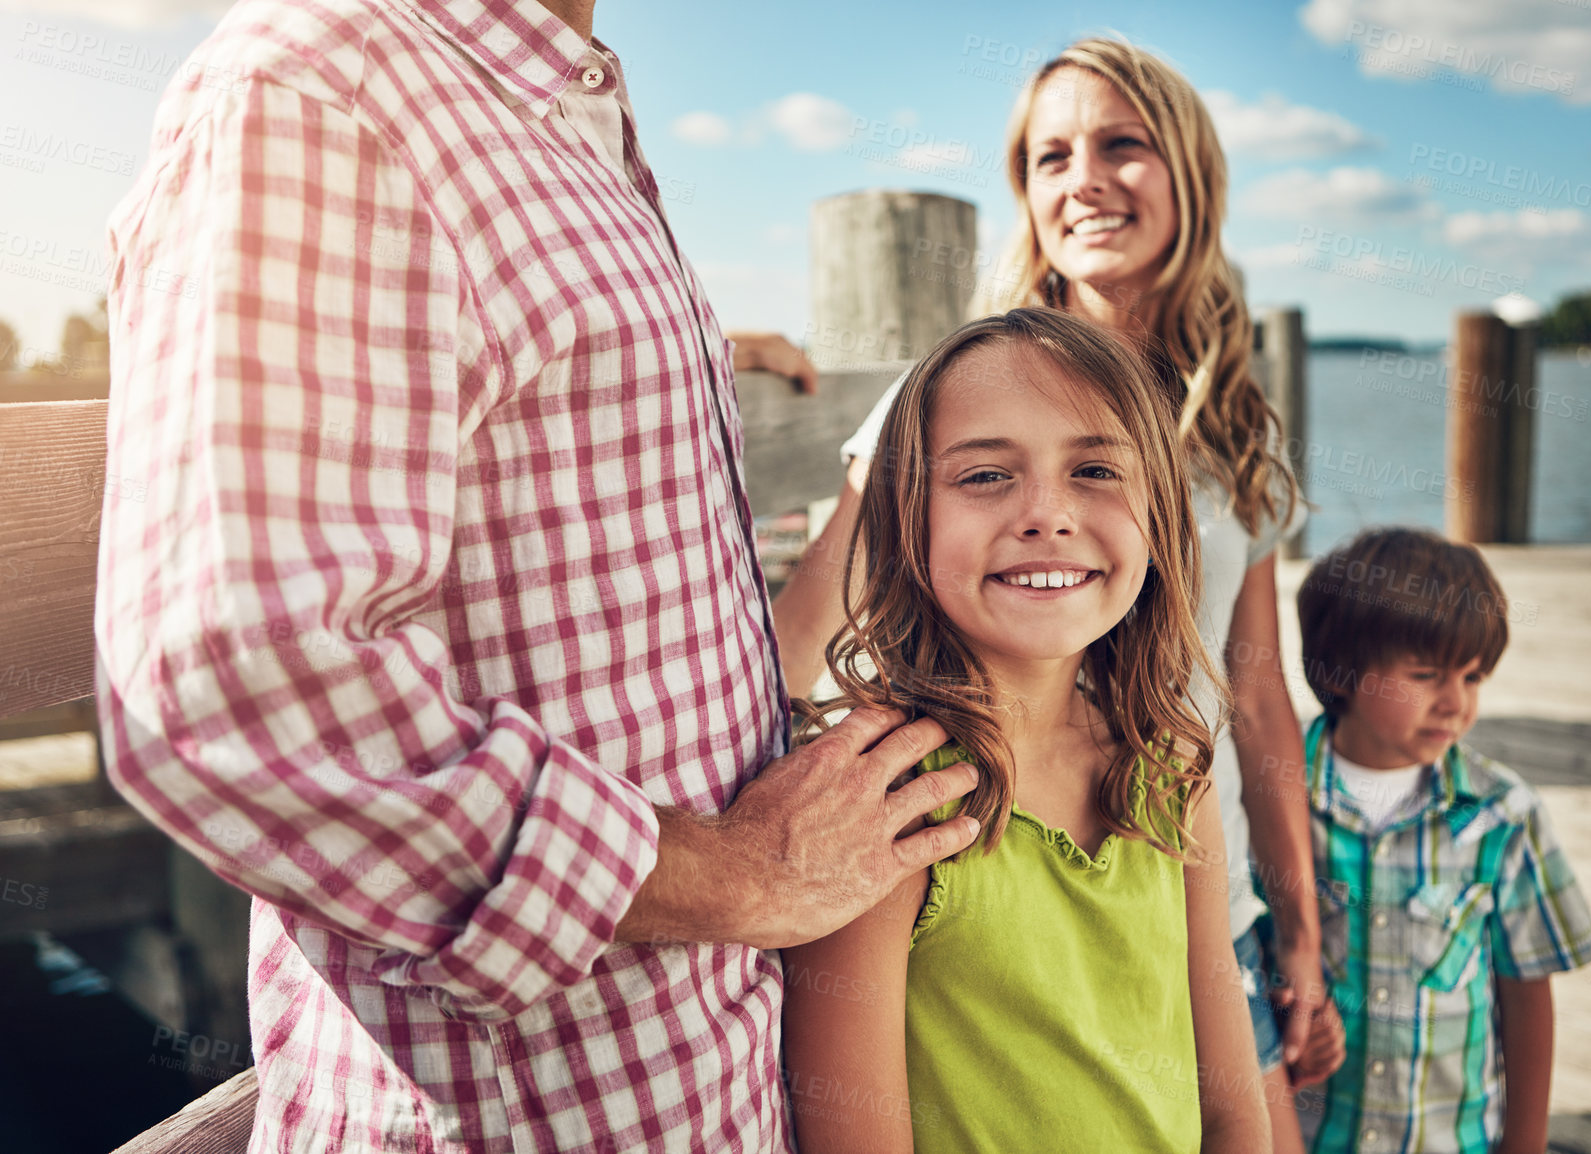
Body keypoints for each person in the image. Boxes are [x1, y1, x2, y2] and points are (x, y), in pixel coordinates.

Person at [93, 0, 980, 1150]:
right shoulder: (323, 86)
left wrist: (695, 350)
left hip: (703, 1094)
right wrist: (742, 872)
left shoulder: (552, 106)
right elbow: (240, 687)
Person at [773, 36, 1340, 1143]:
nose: (1082, 178)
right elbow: (796, 643)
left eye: (1120, 145)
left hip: (1177, 861)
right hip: (987, 868)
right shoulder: (950, 388)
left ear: (1191, 172)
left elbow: (1258, 697)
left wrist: (1299, 926)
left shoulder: (1235, 426)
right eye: (1048, 157)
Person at [780, 306, 1272, 1152]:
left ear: (1158, 514)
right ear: (905, 516)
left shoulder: (1172, 764)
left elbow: (1232, 1107)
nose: (1048, 514)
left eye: (1093, 470)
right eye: (983, 477)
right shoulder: (884, 803)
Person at [1290, 528, 1591, 1152]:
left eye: (1474, 676)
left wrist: (1526, 1143)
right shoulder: (1273, 799)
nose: (1455, 703)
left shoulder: (1502, 815)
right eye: (1428, 674)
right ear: (1343, 671)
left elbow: (1526, 991)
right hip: (1300, 1134)